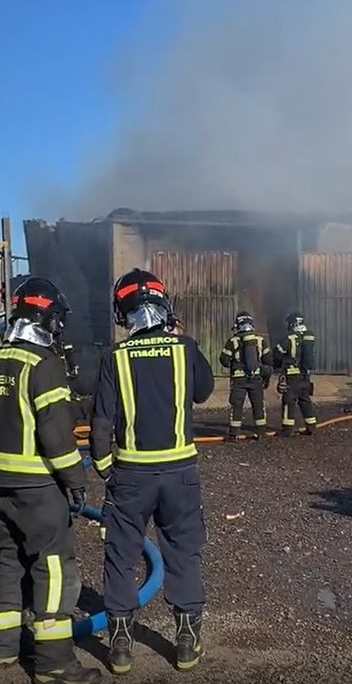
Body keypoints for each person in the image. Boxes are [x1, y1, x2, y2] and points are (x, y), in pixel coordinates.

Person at [90, 268, 215, 674]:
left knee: (122, 555)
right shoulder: (185, 347)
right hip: (180, 473)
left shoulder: (114, 357)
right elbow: (203, 391)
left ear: (123, 311)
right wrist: (182, 340)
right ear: (164, 305)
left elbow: (101, 422)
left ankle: (121, 645)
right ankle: (186, 641)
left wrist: (107, 469)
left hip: (130, 476)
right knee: (183, 552)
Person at [0, 277, 101, 683]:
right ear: (46, 318)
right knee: (53, 568)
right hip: (39, 486)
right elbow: (54, 434)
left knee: (7, 563)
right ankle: (54, 663)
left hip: (3, 483)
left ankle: (3, 651)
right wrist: (75, 478)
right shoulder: (45, 364)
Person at [219, 311, 272, 440]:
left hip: (238, 381)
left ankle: (234, 434)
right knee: (258, 405)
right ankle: (261, 433)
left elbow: (224, 360)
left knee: (237, 406)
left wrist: (234, 364)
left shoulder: (233, 341)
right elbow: (268, 361)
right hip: (256, 379)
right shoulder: (260, 340)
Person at [274, 312, 317, 436]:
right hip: (305, 376)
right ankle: (312, 426)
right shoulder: (308, 337)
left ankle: (287, 429)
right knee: (305, 400)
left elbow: (276, 354)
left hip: (291, 377)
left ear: (292, 324)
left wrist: (277, 365)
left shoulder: (288, 339)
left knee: (289, 401)